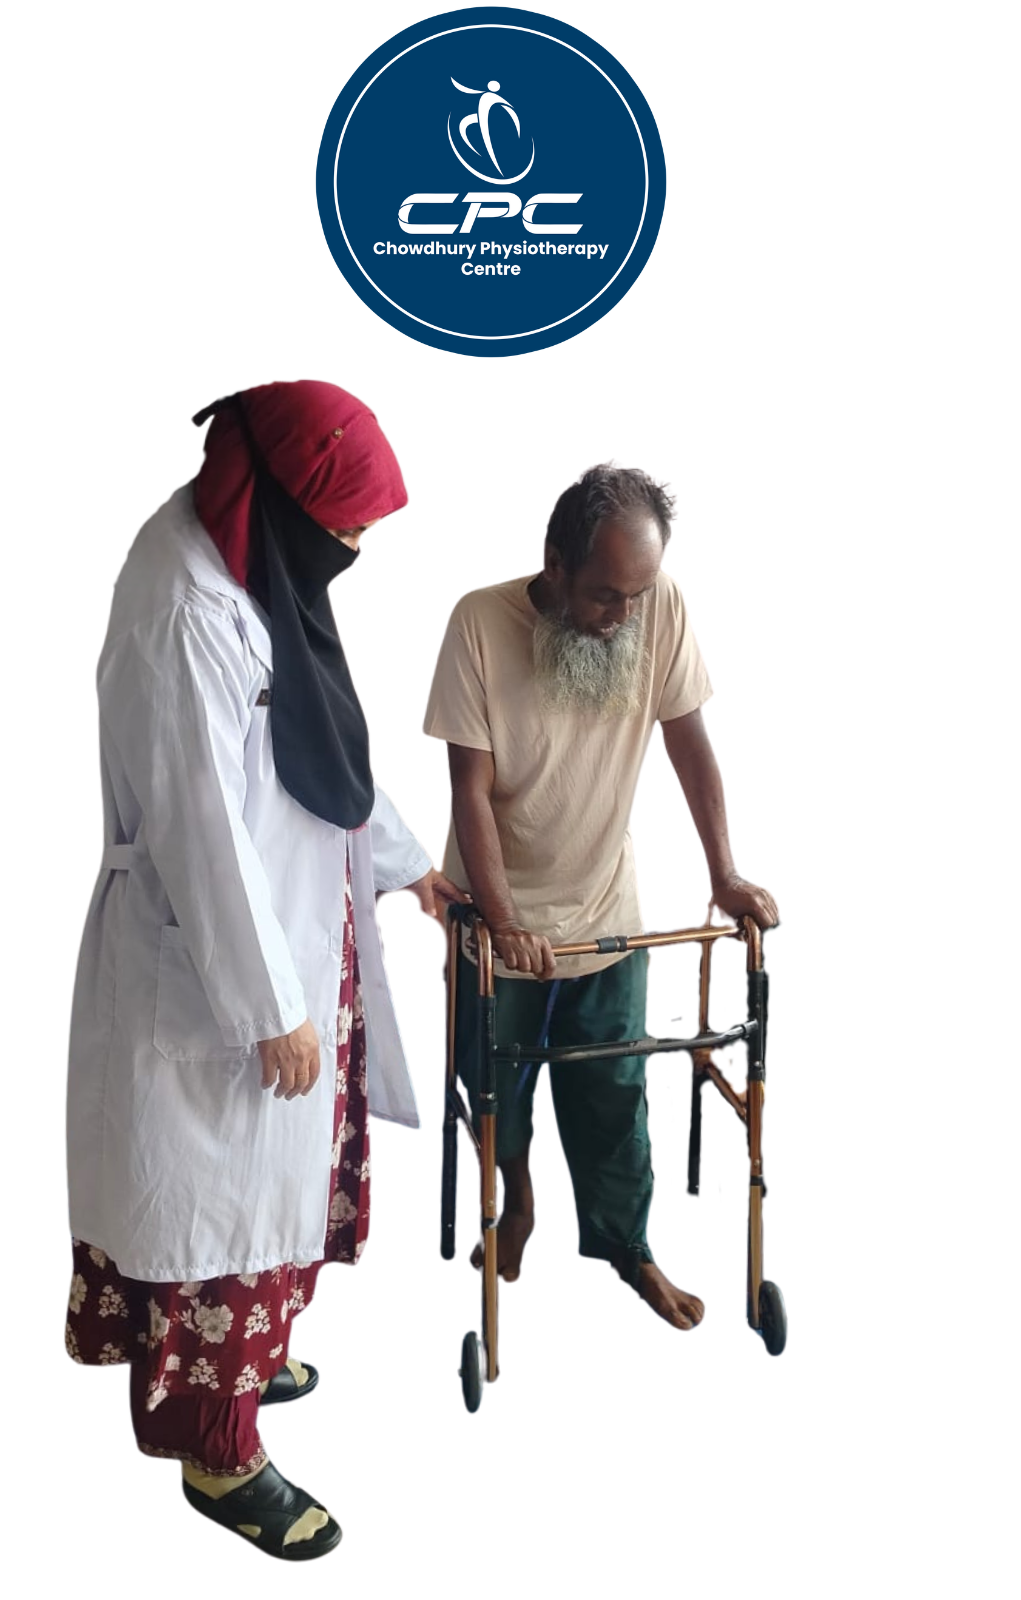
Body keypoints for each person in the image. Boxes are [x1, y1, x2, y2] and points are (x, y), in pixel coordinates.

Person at [65, 381, 460, 1559]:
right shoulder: (184, 604)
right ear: (286, 501)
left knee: (267, 1194)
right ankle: (218, 1453)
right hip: (217, 969)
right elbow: (199, 827)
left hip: (288, 938)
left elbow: (314, 744)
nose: (354, 548)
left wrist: (408, 866)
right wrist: (270, 1004)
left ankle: (253, 1353)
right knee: (216, 1210)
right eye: (346, 525)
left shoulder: (257, 568)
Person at [423, 463, 778, 1330]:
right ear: (555, 563)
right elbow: (470, 790)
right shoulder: (479, 623)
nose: (624, 614)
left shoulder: (658, 606)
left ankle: (628, 1248)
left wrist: (724, 873)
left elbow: (689, 742)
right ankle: (518, 1199)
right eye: (604, 595)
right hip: (497, 914)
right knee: (496, 1090)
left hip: (603, 904)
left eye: (637, 595)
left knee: (615, 1092)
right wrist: (504, 921)